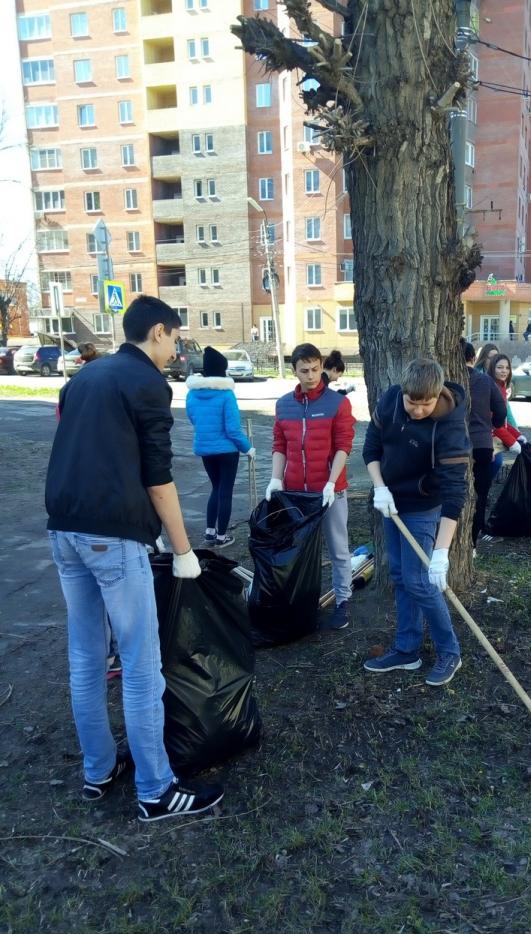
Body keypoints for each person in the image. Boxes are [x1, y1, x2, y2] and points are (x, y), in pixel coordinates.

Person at [45, 295, 224, 821]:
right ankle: (156, 789)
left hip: (64, 530)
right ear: (159, 333)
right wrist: (183, 548)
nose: (175, 349)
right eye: (174, 338)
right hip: (111, 537)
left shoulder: (86, 377)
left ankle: (98, 771)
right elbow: (157, 476)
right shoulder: (147, 382)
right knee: (142, 664)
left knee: (86, 658)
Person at [362, 357, 470, 687]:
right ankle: (407, 650)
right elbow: (371, 446)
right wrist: (380, 488)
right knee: (400, 575)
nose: (417, 410)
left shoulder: (449, 425)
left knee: (421, 580)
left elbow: (455, 492)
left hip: (423, 507)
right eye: (412, 402)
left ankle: (450, 652)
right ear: (403, 392)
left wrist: (441, 553)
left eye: (425, 404)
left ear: (437, 395)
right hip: (392, 502)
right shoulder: (392, 400)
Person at [266, 342, 355, 630]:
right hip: (296, 495)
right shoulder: (284, 405)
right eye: (304, 370)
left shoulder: (337, 403)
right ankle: (304, 600)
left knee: (339, 549)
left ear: (321, 366)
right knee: (299, 550)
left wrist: (331, 482)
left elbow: (343, 445)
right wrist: (276, 478)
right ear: (294, 371)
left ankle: (342, 602)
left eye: (316, 369)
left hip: (330, 493)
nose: (311, 376)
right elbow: (280, 444)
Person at [186, 346, 256, 548]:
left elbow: (193, 419)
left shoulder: (192, 394)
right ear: (221, 370)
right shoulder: (226, 395)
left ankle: (209, 532)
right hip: (227, 451)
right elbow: (233, 429)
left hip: (205, 449)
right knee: (225, 491)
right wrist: (248, 448)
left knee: (215, 488)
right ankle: (222, 536)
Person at [463, 341, 510, 546]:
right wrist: (494, 424)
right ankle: (472, 542)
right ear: (473, 359)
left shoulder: (444, 379)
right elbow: (501, 412)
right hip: (481, 444)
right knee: (480, 493)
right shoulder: (484, 381)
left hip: (451, 446)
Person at [488, 352, 524, 477]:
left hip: (494, 435)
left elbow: (503, 419)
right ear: (492, 369)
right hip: (485, 436)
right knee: (495, 463)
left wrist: (517, 435)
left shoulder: (501, 386)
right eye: (500, 367)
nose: (504, 371)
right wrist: (512, 442)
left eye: (507, 368)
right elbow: (494, 422)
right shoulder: (491, 387)